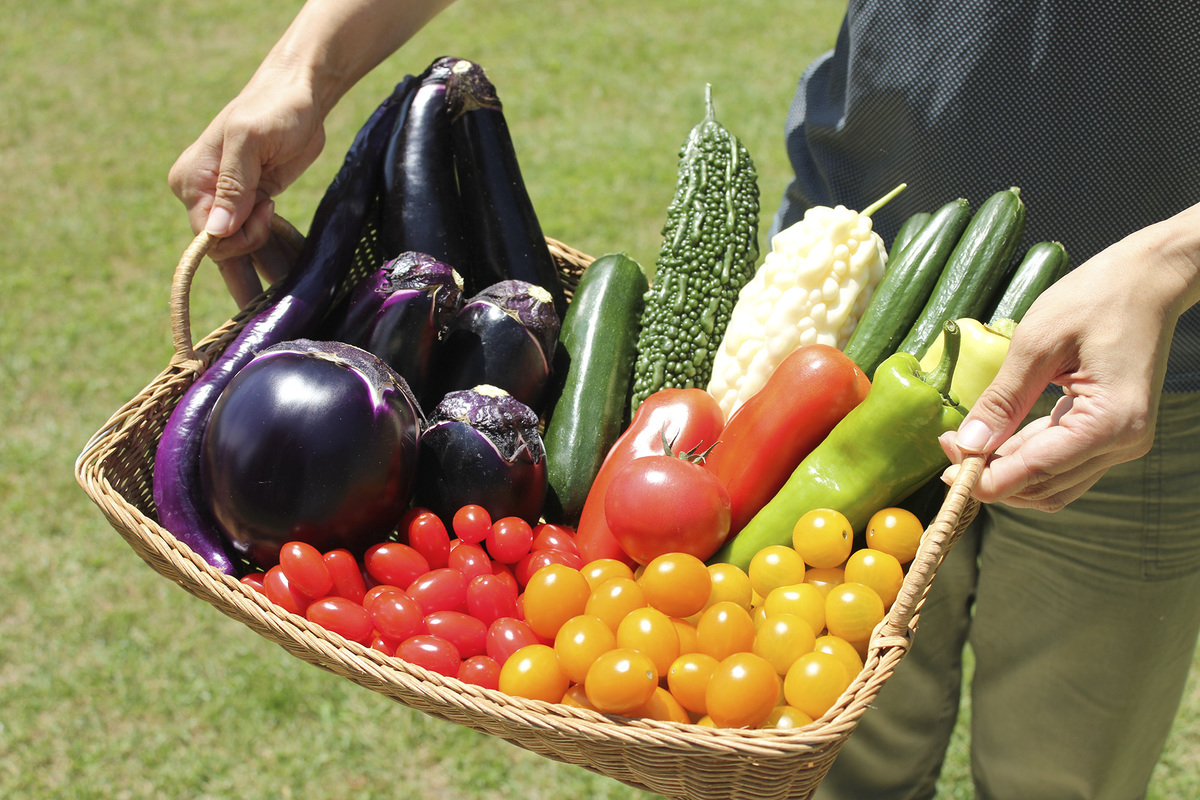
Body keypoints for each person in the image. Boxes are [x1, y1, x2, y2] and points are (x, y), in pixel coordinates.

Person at [168, 1, 1200, 798]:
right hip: (830, 315)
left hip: (1145, 370)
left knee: (1066, 776)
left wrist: (1166, 260)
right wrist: (299, 68)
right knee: (813, 760)